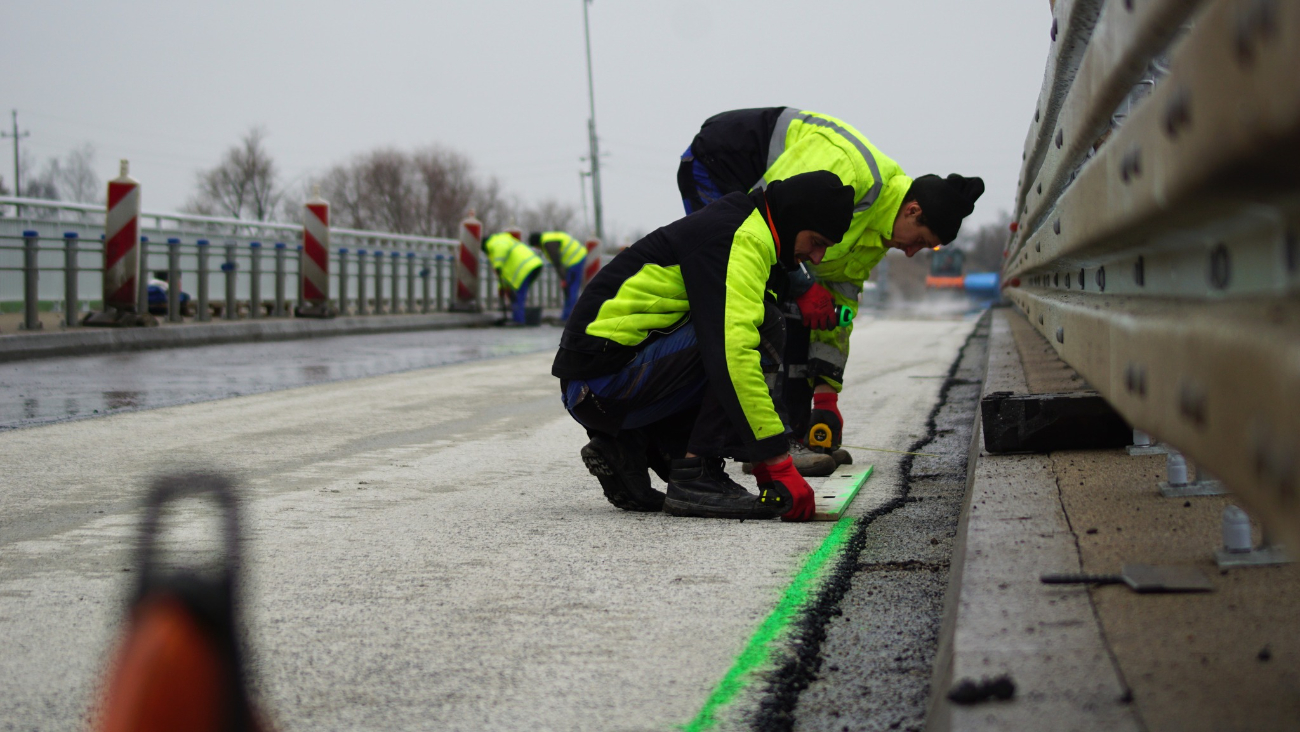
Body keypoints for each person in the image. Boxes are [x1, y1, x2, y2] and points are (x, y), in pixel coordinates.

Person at [678, 107, 984, 469]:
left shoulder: (875, 237)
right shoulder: (851, 174)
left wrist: (826, 398)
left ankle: (789, 432)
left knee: (801, 305)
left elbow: (836, 313)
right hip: (722, 161)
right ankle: (759, 443)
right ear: (913, 211)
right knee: (754, 304)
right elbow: (765, 219)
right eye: (921, 241)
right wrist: (802, 285)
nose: (914, 253)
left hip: (756, 194)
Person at [553, 170, 856, 521]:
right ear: (795, 219)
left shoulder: (741, 224)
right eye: (816, 242)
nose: (816, 258)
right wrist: (774, 459)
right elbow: (734, 353)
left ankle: (634, 447)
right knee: (756, 330)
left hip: (599, 387)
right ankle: (695, 475)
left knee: (733, 328)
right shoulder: (740, 237)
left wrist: (760, 455)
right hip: (604, 385)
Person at [484, 231, 544, 325]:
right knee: (517, 294)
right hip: (533, 264)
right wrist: (502, 288)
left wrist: (497, 265)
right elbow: (503, 275)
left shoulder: (494, 242)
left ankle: (519, 320)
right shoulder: (506, 240)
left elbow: (501, 252)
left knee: (518, 295)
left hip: (526, 267)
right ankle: (519, 317)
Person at [528, 231, 588, 320]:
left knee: (571, 289)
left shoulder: (548, 243)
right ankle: (568, 316)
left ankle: (568, 317)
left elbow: (557, 262)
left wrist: (564, 279)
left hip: (575, 260)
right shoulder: (548, 237)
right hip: (578, 256)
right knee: (571, 289)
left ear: (536, 244)